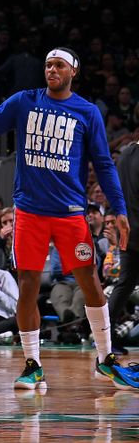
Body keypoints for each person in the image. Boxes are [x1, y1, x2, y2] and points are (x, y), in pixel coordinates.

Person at [0, 46, 137, 390]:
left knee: (91, 282)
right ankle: (33, 364)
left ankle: (104, 359)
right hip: (31, 215)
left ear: (73, 71)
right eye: (48, 65)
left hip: (71, 215)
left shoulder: (87, 112)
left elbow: (104, 165)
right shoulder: (24, 102)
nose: (51, 70)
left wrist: (119, 209)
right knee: (28, 286)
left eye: (59, 65)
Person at [110, 138, 139, 353]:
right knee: (125, 285)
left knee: (124, 285)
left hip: (128, 229)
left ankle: (107, 337)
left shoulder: (124, 155)